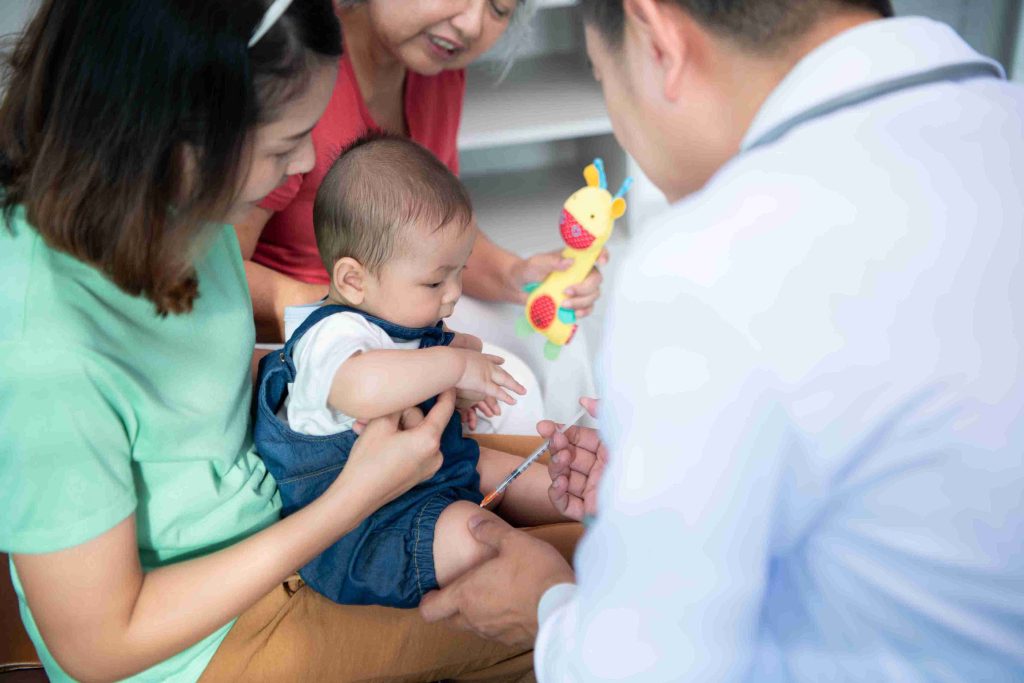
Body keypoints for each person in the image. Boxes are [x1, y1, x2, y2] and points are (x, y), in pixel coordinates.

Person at [419, 0, 1024, 680]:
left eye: (601, 78)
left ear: (656, 38)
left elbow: (643, 667)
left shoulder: (710, 266)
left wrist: (546, 609)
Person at [0, 2, 578, 681]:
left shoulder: (175, 208)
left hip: (291, 501)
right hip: (208, 639)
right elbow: (98, 647)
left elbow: (186, 381)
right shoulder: (44, 348)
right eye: (283, 145)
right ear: (182, 137)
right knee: (585, 604)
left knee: (606, 539)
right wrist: (349, 500)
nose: (307, 159)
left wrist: (344, 339)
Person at [235, 0, 606, 430]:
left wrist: (517, 274)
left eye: (500, 9)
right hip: (322, 325)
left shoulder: (436, 67)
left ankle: (567, 472)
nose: (471, 24)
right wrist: (328, 312)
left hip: (403, 300)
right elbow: (212, 271)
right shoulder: (302, 72)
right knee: (508, 394)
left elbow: (432, 233)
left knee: (561, 337)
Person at [255, 133, 567, 608]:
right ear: (353, 280)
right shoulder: (332, 336)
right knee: (482, 541)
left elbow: (418, 366)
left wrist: (461, 370)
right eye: (435, 280)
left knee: (514, 473)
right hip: (371, 528)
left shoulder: (398, 314)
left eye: (459, 272)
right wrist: (453, 365)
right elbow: (361, 387)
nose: (453, 293)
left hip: (427, 475)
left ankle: (580, 501)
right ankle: (542, 572)